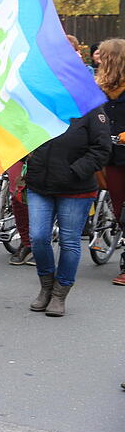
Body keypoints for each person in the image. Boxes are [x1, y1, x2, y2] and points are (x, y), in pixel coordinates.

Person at [24, 106, 110, 316]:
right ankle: (46, 286)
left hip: (76, 188)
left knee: (69, 241)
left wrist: (76, 171)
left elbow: (102, 148)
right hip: (39, 184)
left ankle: (60, 293)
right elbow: (22, 135)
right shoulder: (41, 103)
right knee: (38, 237)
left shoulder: (92, 110)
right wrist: (28, 159)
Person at [94, 38, 125, 286]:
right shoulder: (98, 88)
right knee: (118, 208)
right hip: (110, 157)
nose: (98, 58)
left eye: (103, 55)